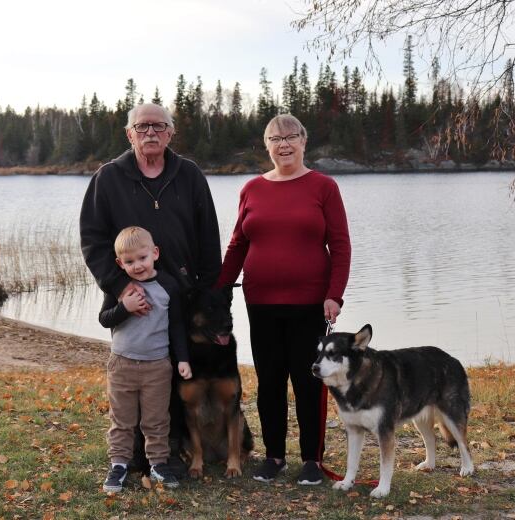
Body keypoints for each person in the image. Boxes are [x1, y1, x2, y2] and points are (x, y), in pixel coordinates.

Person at [80, 103, 222, 476]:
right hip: (131, 297)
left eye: (159, 126)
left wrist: (209, 291)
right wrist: (123, 288)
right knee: (136, 374)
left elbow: (209, 236)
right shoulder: (109, 178)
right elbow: (92, 241)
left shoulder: (188, 174)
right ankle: (135, 456)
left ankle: (172, 450)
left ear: (171, 133)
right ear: (129, 134)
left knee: (176, 370)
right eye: (142, 127)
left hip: (184, 294)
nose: (150, 133)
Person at [217, 114, 351, 486]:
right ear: (267, 146)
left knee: (308, 383)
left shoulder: (323, 187)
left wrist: (334, 295)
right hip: (260, 303)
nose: (284, 144)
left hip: (311, 303)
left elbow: (339, 245)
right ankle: (274, 457)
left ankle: (311, 459)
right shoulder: (252, 189)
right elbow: (237, 244)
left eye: (291, 136)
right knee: (270, 381)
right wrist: (218, 289)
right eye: (276, 138)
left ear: (304, 142)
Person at [100, 226, 192, 492]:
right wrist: (124, 308)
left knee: (156, 419)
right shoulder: (119, 287)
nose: (137, 266)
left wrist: (183, 360)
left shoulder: (168, 285)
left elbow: (176, 326)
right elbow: (105, 319)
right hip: (122, 363)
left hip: (157, 365)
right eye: (129, 262)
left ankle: (158, 463)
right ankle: (118, 465)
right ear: (120, 263)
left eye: (142, 258)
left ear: (155, 253)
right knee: (122, 419)